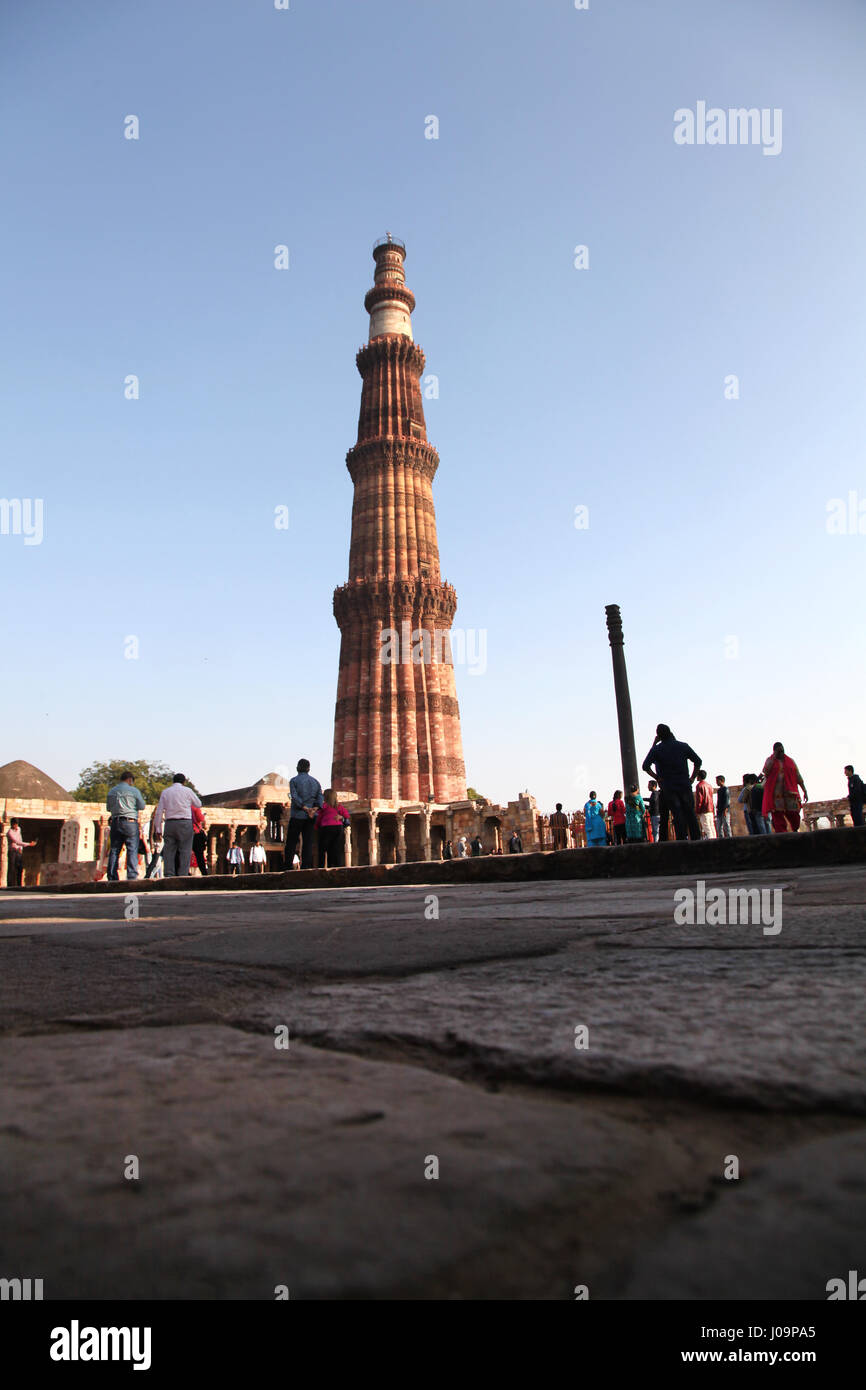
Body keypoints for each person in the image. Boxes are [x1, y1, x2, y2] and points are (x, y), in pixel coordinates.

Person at [641, 724, 701, 841]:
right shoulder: (682, 746)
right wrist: (692, 777)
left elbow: (645, 766)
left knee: (677, 813)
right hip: (684, 784)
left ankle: (681, 840)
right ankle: (696, 839)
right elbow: (698, 761)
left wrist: (657, 777)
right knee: (690, 813)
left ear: (658, 736)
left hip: (668, 786)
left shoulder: (657, 750)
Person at [153, 773, 202, 877]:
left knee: (169, 850)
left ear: (173, 781)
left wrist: (157, 828)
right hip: (185, 822)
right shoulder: (187, 791)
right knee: (185, 850)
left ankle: (169, 874)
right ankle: (183, 875)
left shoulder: (166, 792)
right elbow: (198, 804)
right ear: (183, 782)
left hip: (170, 822)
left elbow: (159, 811)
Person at [106, 771, 147, 881]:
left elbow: (108, 808)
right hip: (130, 822)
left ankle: (112, 876)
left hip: (115, 821)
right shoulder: (134, 791)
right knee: (132, 849)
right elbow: (142, 806)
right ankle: (132, 875)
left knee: (115, 849)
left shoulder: (112, 791)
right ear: (130, 780)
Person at [284, 759, 323, 870]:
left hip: (297, 815)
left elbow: (294, 797)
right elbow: (320, 797)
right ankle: (306, 866)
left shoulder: (294, 781)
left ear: (297, 768)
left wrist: (305, 809)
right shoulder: (315, 782)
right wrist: (314, 809)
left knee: (291, 842)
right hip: (311, 817)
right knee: (308, 842)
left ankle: (288, 866)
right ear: (308, 769)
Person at [761, 743, 808, 834]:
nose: (781, 753)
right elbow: (765, 771)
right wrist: (774, 758)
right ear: (774, 751)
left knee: (794, 815)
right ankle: (782, 835)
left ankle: (795, 830)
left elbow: (798, 776)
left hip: (790, 793)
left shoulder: (791, 762)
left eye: (782, 750)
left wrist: (804, 790)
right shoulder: (770, 761)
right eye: (779, 751)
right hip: (776, 794)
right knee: (777, 816)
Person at [317, 789, 349, 868]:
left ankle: (321, 868)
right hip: (338, 828)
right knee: (336, 849)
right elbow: (347, 816)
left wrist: (316, 827)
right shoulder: (339, 807)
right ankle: (336, 867)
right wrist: (342, 818)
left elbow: (318, 818)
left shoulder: (323, 806)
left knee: (323, 849)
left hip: (326, 828)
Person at [5, 819, 36, 887]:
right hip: (12, 851)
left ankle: (19, 884)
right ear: (12, 824)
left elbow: (20, 838)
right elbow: (16, 842)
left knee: (20, 867)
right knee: (12, 868)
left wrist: (21, 848)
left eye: (17, 824)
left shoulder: (19, 829)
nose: (16, 826)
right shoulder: (9, 832)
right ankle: (10, 885)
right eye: (15, 824)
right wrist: (29, 844)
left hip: (18, 850)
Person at [694, 771, 716, 839]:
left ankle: (712, 845)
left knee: (707, 828)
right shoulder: (709, 785)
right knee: (712, 828)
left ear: (699, 776)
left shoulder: (699, 785)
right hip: (710, 809)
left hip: (704, 810)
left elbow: (699, 800)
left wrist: (697, 811)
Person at [191, 805, 209, 876]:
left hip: (185, 832)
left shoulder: (183, 806)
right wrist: (203, 815)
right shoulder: (194, 807)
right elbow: (200, 818)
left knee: (184, 854)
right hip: (196, 833)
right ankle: (204, 872)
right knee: (199, 856)